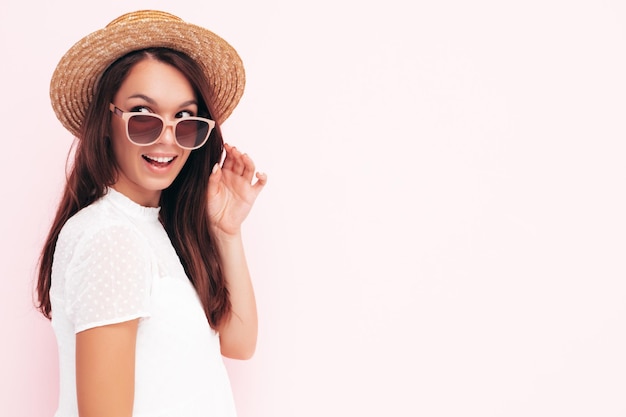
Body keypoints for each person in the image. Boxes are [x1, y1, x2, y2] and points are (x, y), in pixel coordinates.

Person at [36, 10, 266, 417]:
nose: (166, 139)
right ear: (106, 122)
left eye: (184, 120)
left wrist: (226, 232)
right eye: (143, 117)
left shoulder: (153, 229)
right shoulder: (111, 238)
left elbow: (239, 342)